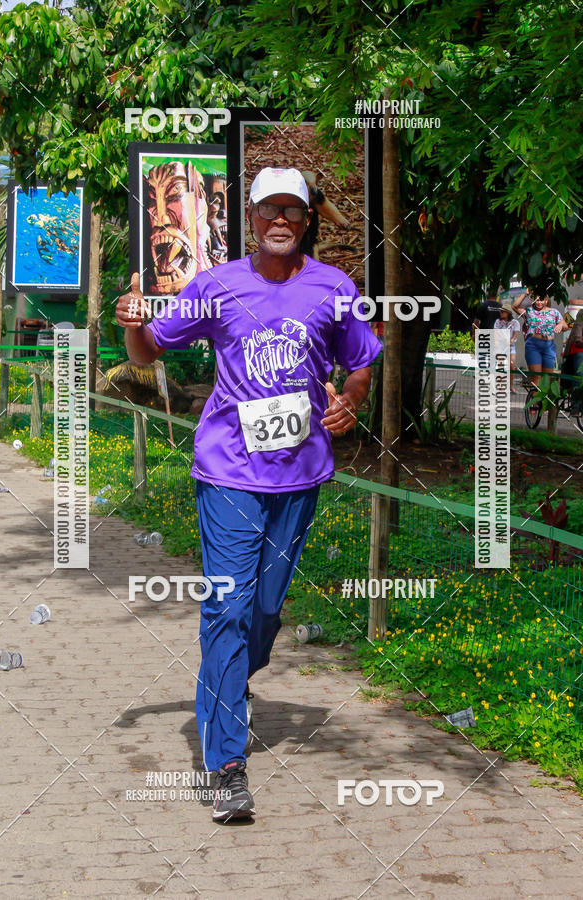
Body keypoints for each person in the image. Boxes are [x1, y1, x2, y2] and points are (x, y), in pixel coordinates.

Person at [115, 167, 381, 822]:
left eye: (292, 209)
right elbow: (147, 353)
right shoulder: (217, 286)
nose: (280, 220)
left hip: (300, 476)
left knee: (262, 613)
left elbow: (361, 363)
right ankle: (226, 766)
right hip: (228, 473)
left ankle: (235, 678)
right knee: (228, 612)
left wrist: (350, 400)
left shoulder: (334, 288)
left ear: (307, 219)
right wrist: (133, 323)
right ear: (251, 218)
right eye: (269, 210)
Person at [512, 288, 568, 387]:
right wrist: (525, 294)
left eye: (541, 300)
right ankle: (535, 397)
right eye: (537, 300)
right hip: (533, 345)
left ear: (546, 300)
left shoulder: (554, 312)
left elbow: (565, 326)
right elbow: (515, 306)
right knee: (536, 377)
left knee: (547, 378)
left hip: (549, 346)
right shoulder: (529, 311)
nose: (539, 302)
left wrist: (560, 325)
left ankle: (544, 396)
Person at [493, 303, 520, 393]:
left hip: (510, 347)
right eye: (500, 311)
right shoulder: (498, 322)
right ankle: (500, 386)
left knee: (512, 366)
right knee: (500, 366)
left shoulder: (515, 323)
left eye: (502, 312)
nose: (500, 313)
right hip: (500, 347)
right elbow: (496, 334)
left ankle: (510, 385)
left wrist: (511, 341)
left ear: (508, 313)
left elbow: (515, 335)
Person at [561, 308, 583, 413]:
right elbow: (578, 328)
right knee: (580, 375)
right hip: (579, 348)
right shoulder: (582, 313)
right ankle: (576, 404)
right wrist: (579, 339)